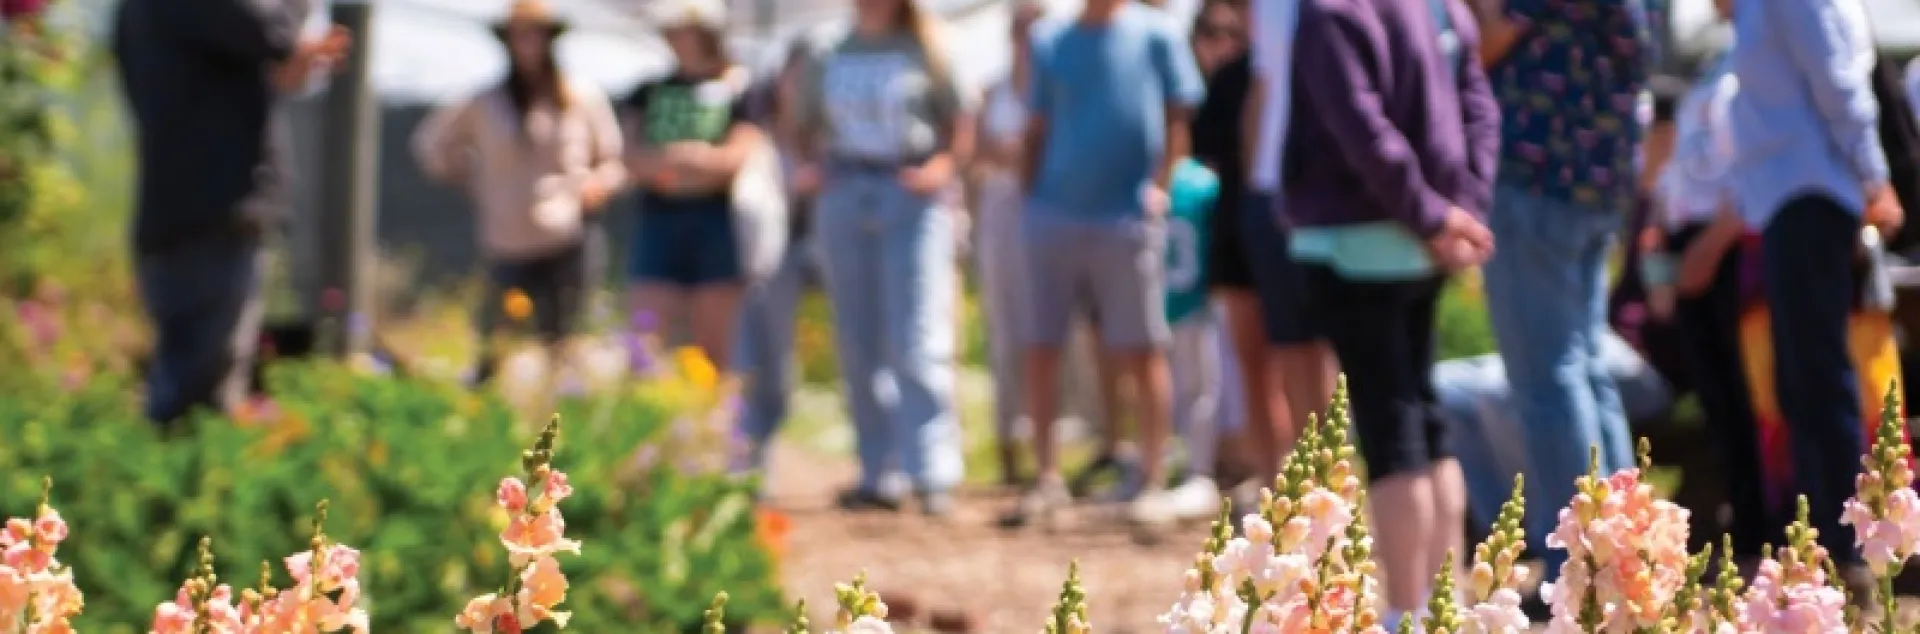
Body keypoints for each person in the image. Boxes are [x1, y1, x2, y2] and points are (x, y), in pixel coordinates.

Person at [1287, 0, 1498, 623]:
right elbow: (1479, 106)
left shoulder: (1332, 12)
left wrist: (1432, 215)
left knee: (1391, 428)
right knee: (1425, 420)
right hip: (1429, 238)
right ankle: (1445, 604)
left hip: (1358, 241)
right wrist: (1462, 212)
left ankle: (1405, 609)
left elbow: (1358, 122)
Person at [1006, 0, 1205, 528]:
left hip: (1128, 215)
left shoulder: (1159, 34)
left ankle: (1152, 477)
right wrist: (1030, 205)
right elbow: (1037, 125)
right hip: (1053, 213)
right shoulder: (1050, 39)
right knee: (1042, 344)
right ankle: (1046, 479)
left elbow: (1177, 116)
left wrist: (1161, 187)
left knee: (1143, 347)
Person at [1726, 0, 1901, 589]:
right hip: (1789, 197)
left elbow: (1839, 83)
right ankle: (1826, 540)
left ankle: (1849, 545)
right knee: (1802, 378)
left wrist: (1874, 177)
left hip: (1812, 194)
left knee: (1819, 375)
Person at [1474, 0, 1652, 576]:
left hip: (1537, 174)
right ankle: (1624, 559)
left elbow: (1489, 39)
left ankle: (1583, 572)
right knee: (1583, 370)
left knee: (1548, 381)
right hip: (1595, 181)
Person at [115, 0, 349, 424]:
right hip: (209, 214)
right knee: (198, 404)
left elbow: (249, 54)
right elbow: (271, 30)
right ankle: (185, 486)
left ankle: (179, 480)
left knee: (192, 386)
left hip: (184, 212)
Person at [790, 0, 972, 516]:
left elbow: (961, 121)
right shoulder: (828, 49)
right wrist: (811, 167)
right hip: (845, 188)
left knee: (916, 335)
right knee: (857, 335)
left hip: (908, 192)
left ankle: (932, 470)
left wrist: (941, 168)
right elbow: (799, 121)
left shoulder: (928, 46)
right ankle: (879, 471)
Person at [412, 0, 624, 387]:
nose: (528, 43)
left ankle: (557, 427)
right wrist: (472, 177)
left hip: (565, 237)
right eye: (519, 34)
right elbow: (432, 145)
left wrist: (595, 186)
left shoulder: (579, 96)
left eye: (535, 33)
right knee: (492, 349)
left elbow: (612, 160)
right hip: (507, 241)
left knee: (563, 346)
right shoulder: (484, 102)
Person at [1642, 13, 1773, 564]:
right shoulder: (1711, 59)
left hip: (1726, 243)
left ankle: (1759, 530)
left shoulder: (1750, 60)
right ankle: (1742, 526)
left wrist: (1711, 246)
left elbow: (1746, 166)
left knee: (1743, 397)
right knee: (1718, 400)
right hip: (1693, 240)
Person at [622, 0, 762, 367]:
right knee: (646, 336)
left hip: (717, 221)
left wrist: (687, 160)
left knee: (716, 345)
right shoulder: (648, 91)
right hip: (660, 219)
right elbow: (632, 159)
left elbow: (737, 157)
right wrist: (681, 166)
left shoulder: (738, 89)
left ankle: (715, 422)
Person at [1243, 0, 1338, 500]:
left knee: (1325, 344)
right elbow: (1263, 86)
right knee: (1290, 343)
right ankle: (1308, 477)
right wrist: (1253, 184)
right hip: (1271, 187)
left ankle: (1331, 478)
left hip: (1324, 189)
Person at [734, 38, 824, 480]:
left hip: (825, 247)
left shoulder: (831, 131)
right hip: (770, 257)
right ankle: (754, 460)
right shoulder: (758, 133)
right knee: (765, 361)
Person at [967, 0, 1046, 488]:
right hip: (1002, 215)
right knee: (1007, 333)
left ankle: (1048, 450)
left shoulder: (1058, 88)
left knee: (1050, 334)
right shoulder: (994, 90)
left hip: (1047, 213)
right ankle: (1009, 448)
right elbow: (974, 157)